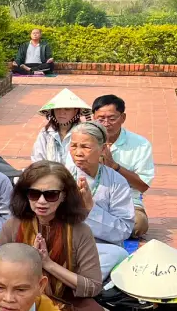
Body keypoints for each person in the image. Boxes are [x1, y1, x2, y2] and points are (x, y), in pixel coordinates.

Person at [0, 162, 113, 311]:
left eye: (50, 195)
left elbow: (93, 286)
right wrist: (30, 264)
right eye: (34, 194)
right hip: (20, 296)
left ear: (63, 196)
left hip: (66, 299)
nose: (41, 201)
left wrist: (48, 264)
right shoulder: (14, 225)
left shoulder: (80, 231)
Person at [66, 122, 134, 278]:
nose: (78, 153)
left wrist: (90, 208)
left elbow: (124, 230)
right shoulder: (62, 176)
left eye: (86, 147)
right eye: (73, 146)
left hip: (100, 247)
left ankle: (80, 283)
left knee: (118, 254)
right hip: (66, 242)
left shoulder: (116, 181)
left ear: (103, 149)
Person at [91, 95, 154, 238]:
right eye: (101, 119)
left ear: (123, 118)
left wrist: (114, 166)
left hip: (127, 199)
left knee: (138, 224)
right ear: (93, 117)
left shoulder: (140, 144)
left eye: (112, 118)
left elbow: (143, 186)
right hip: (91, 197)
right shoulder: (84, 139)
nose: (106, 123)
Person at [30, 88, 89, 164]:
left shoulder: (84, 132)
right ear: (52, 111)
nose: (62, 113)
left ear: (76, 111)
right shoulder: (45, 133)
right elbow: (37, 159)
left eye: (67, 109)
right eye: (58, 109)